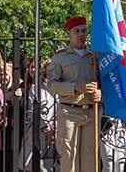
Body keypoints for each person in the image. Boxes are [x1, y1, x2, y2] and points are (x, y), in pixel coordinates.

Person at [46, 16, 101, 172]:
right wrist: (75, 87)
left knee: (90, 159)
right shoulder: (60, 57)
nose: (81, 34)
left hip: (91, 112)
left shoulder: (95, 56)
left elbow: (105, 82)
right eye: (76, 31)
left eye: (84, 31)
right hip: (69, 111)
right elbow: (52, 85)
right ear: (68, 34)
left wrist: (100, 93)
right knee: (69, 158)